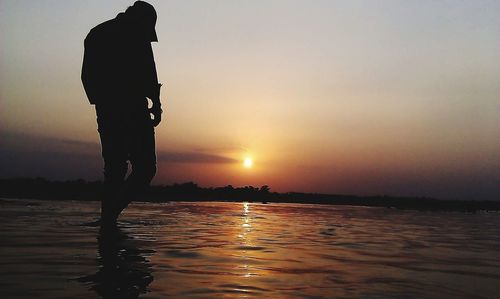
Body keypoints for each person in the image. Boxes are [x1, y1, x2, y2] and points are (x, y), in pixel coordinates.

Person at [81, 1, 163, 225]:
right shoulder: (136, 36)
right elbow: (149, 72)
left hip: (109, 111)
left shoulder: (97, 33)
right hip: (131, 110)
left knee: (115, 169)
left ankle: (108, 221)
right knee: (144, 169)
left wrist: (103, 105)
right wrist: (155, 104)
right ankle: (110, 218)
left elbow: (87, 77)